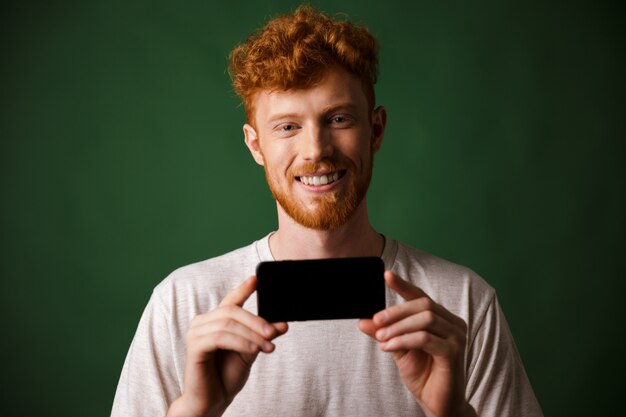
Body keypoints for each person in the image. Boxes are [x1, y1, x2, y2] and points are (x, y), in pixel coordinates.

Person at [111, 5, 543, 417]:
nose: (316, 150)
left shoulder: (462, 304)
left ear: (376, 130)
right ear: (255, 144)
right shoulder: (183, 304)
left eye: (338, 119)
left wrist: (453, 415)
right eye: (287, 127)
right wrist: (195, 412)